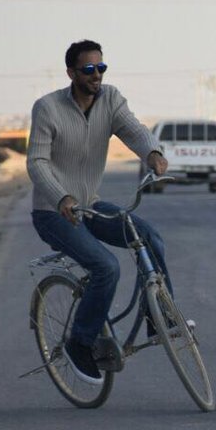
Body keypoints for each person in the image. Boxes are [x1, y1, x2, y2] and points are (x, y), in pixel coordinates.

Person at [27, 39, 171, 385]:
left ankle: (159, 315)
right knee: (106, 266)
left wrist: (152, 152)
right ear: (71, 73)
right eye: (88, 69)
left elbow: (133, 130)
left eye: (101, 68)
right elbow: (36, 162)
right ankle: (81, 344)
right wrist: (61, 197)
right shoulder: (47, 108)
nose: (96, 75)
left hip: (88, 205)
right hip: (53, 212)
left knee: (148, 237)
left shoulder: (111, 99)